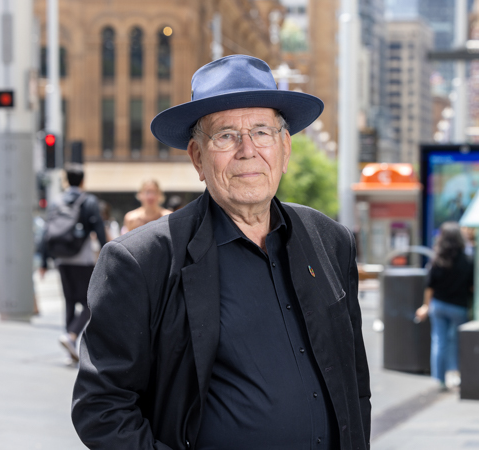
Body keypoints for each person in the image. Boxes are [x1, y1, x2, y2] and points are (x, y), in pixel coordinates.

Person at [72, 55, 371, 450]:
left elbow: (356, 387)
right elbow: (102, 408)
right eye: (225, 136)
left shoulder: (330, 241)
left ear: (285, 148)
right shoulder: (142, 261)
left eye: (262, 132)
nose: (248, 151)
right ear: (198, 157)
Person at [40, 163, 106, 362]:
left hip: (61, 258)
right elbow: (99, 229)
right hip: (82, 258)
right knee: (90, 302)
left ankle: (70, 339)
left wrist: (44, 261)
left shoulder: (56, 202)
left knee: (69, 301)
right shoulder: (89, 201)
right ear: (83, 181)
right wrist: (108, 254)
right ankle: (71, 336)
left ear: (66, 180)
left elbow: (46, 233)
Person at [416, 221, 474, 389]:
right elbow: (472, 286)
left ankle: (439, 379)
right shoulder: (467, 260)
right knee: (458, 341)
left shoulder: (437, 259)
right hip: (459, 306)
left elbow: (430, 287)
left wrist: (425, 306)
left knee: (439, 341)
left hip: (439, 306)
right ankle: (457, 374)